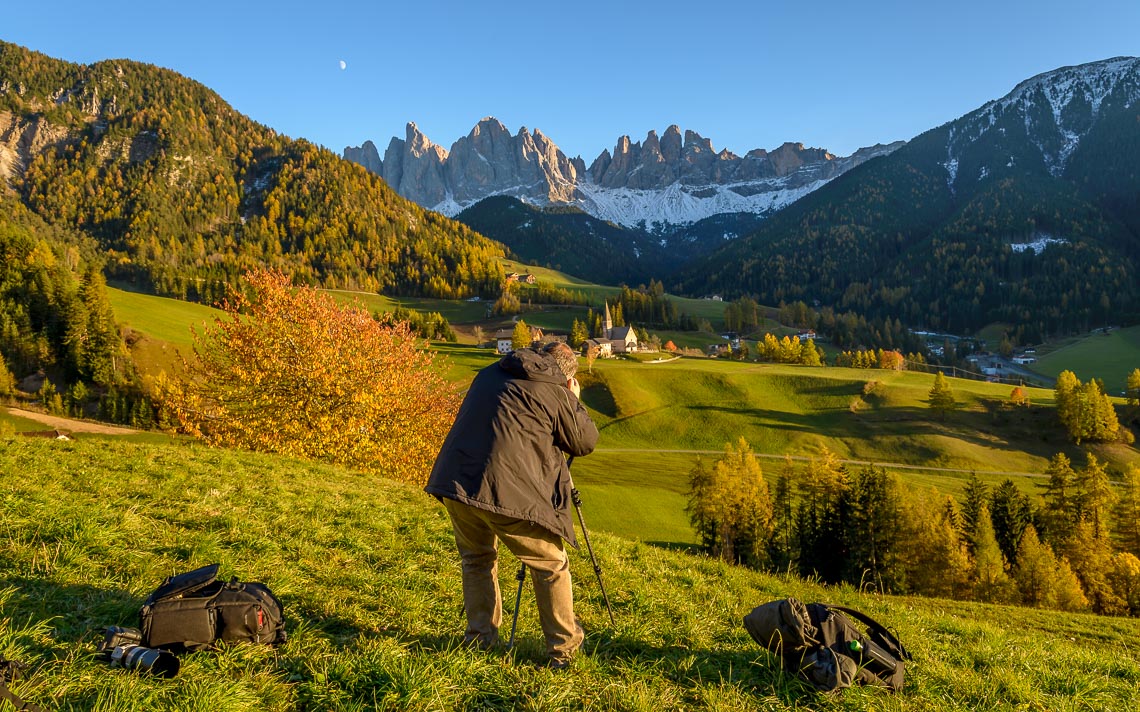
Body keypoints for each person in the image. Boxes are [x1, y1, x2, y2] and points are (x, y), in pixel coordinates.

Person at [425, 341, 599, 668]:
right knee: (551, 565)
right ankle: (563, 651)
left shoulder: (492, 371)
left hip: (456, 481)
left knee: (476, 558)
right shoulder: (555, 389)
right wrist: (574, 402)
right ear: (567, 377)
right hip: (505, 490)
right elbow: (584, 441)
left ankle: (480, 640)